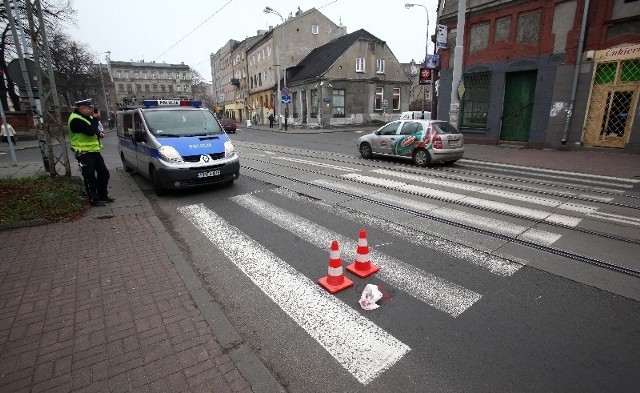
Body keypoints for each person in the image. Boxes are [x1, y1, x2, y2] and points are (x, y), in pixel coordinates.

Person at [68, 99, 113, 207]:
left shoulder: (87, 117)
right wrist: (96, 119)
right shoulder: (75, 119)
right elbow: (89, 130)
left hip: (94, 151)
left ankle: (103, 195)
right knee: (90, 177)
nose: (92, 110)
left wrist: (99, 133)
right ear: (82, 108)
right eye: (89, 108)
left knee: (104, 173)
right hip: (83, 152)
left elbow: (92, 129)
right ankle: (94, 199)